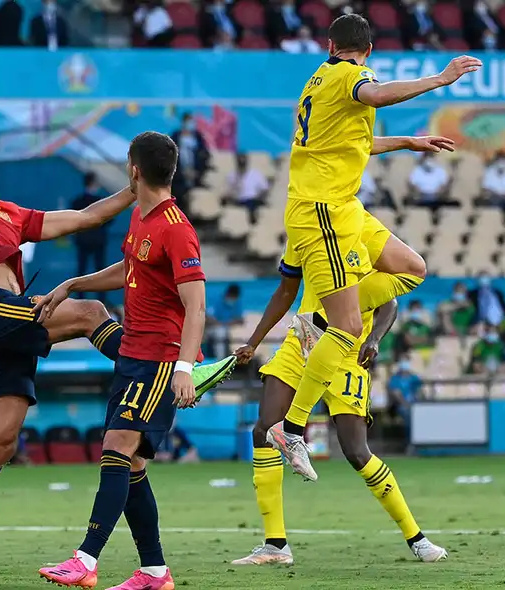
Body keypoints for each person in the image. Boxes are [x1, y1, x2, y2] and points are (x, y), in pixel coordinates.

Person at [0, 133, 235, 582]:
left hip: (11, 332)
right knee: (91, 313)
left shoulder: (12, 214)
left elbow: (86, 216)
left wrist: (137, 185)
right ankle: (157, 369)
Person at [267, 13, 480, 481]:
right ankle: (292, 426)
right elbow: (377, 94)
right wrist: (441, 79)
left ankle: (317, 316)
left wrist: (406, 141)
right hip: (322, 209)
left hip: (343, 206)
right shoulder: (351, 75)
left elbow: (351, 144)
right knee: (346, 328)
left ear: (330, 42)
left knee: (411, 267)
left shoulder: (319, 79)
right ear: (368, 50)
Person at [37, 132, 234, 589]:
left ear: (133, 169)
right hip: (133, 356)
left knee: (116, 448)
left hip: (161, 361)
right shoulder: (140, 217)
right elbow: (129, 271)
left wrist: (185, 368)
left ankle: (85, 560)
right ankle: (154, 571)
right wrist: (72, 284)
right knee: (133, 467)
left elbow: (197, 305)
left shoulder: (176, 228)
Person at [230, 215, 446, 567]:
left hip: (347, 352)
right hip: (302, 339)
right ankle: (275, 545)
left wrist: (374, 338)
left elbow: (389, 299)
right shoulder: (300, 230)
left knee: (356, 451)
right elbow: (285, 291)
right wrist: (253, 342)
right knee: (263, 430)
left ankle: (417, 538)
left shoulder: (360, 229)